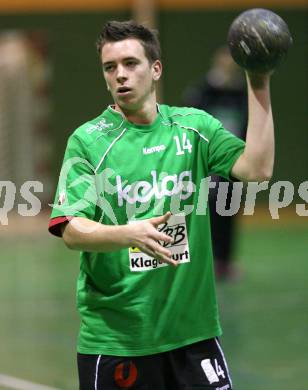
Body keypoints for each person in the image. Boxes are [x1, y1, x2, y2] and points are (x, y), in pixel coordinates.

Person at [48, 20, 274, 389]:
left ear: (156, 69)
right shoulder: (88, 141)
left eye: (131, 63)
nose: (120, 75)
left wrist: (259, 81)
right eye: (110, 67)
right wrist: (127, 233)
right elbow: (71, 228)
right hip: (119, 342)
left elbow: (258, 168)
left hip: (193, 335)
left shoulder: (194, 128)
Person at [183, 46, 247, 281]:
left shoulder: (242, 93)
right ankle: (202, 259)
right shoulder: (203, 92)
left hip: (235, 161)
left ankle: (225, 262)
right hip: (208, 162)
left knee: (229, 210)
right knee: (205, 211)